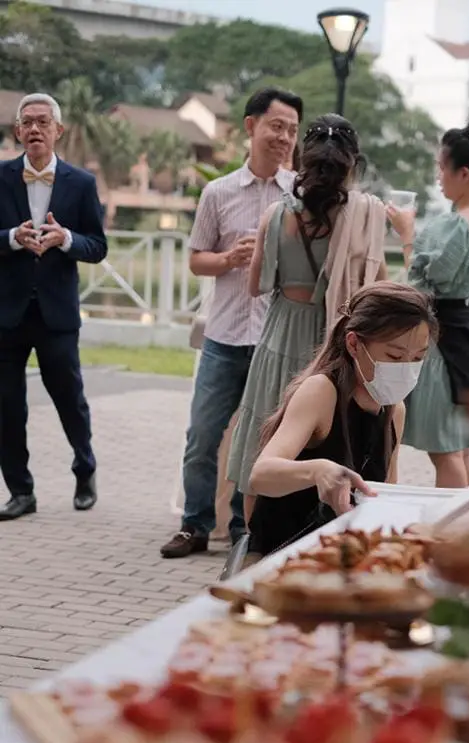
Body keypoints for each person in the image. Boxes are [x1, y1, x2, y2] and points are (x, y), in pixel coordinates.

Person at [161, 86, 303, 559]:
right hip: (223, 338)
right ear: (251, 127)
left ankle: (247, 529)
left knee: (260, 442)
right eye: (276, 126)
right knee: (202, 436)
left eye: (292, 130)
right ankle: (194, 525)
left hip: (273, 342)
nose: (284, 137)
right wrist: (228, 259)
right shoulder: (217, 192)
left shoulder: (300, 198)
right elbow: (197, 261)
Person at [226, 114, 387, 525]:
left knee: (262, 452)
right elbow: (377, 288)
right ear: (351, 165)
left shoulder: (276, 216)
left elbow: (257, 286)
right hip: (332, 344)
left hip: (279, 341)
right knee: (327, 443)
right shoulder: (366, 217)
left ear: (304, 161)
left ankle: (253, 549)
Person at [244, 281, 436, 559]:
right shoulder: (321, 390)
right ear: (354, 344)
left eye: (418, 358)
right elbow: (261, 475)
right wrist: (318, 471)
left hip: (342, 556)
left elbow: (383, 494)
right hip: (285, 556)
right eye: (394, 356)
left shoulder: (395, 409)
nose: (405, 369)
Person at [0, 93, 107, 521]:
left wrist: (66, 240)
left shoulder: (81, 183)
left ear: (58, 131)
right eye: (27, 122)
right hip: (6, 314)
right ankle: (21, 492)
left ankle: (85, 468)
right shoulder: (2, 176)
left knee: (70, 399)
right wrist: (11, 237)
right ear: (17, 132)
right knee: (7, 406)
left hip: (57, 315)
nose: (34, 129)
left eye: (43, 122)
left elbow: (97, 247)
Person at [387, 120, 469, 489]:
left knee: (445, 452)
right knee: (462, 448)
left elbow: (421, 285)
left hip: (444, 344)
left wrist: (406, 235)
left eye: (443, 168)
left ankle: (449, 533)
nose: (439, 176)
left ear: (465, 173)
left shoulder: (455, 225)